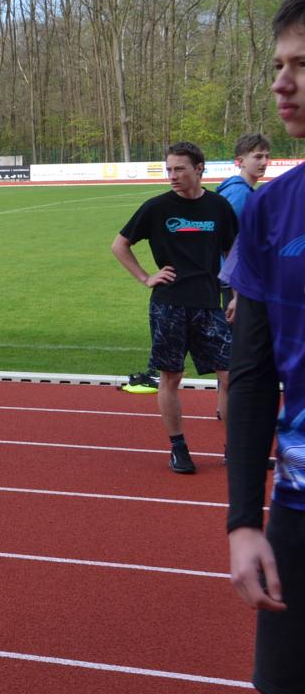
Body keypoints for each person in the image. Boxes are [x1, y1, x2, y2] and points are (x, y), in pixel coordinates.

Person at [226, 0, 305, 694]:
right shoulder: (270, 209)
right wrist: (244, 519)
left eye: (302, 65)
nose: (281, 82)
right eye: (280, 64)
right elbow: (250, 375)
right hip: (300, 516)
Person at [111, 140, 237, 474]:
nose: (172, 175)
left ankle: (235, 449)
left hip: (209, 304)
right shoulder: (157, 207)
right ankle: (178, 448)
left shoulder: (219, 207)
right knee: (171, 377)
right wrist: (146, 277)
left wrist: (236, 294)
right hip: (169, 305)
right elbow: (119, 245)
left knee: (231, 376)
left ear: (199, 169)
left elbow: (233, 251)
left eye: (179, 169)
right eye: (169, 169)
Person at [216, 133, 271, 308]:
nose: (264, 162)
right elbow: (229, 241)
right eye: (258, 157)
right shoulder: (240, 193)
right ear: (241, 161)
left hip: (237, 277)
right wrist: (236, 292)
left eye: (267, 156)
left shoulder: (243, 190)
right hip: (236, 281)